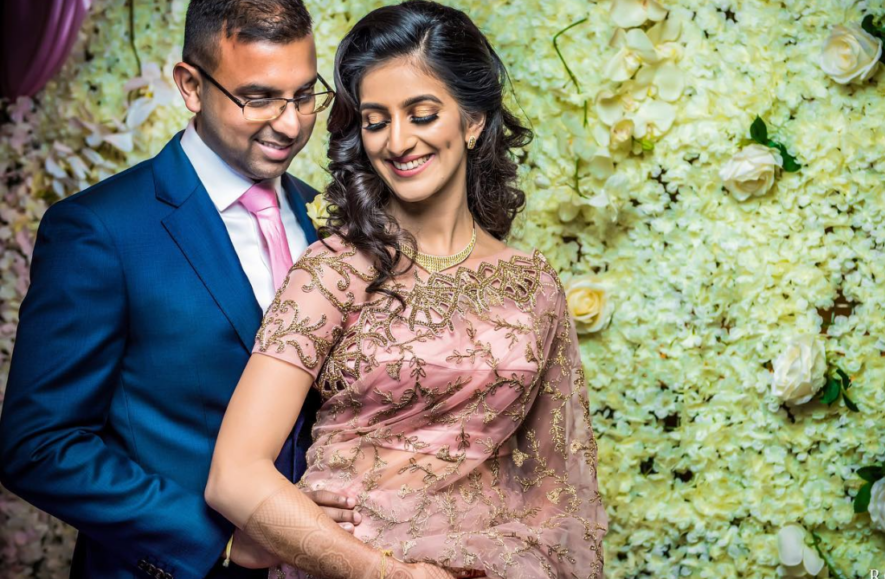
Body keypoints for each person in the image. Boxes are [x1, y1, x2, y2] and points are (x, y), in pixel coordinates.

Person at [203, 2, 608, 578]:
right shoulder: (333, 271)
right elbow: (234, 475)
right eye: (375, 121)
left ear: (472, 122)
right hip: (346, 565)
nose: (398, 142)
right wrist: (386, 574)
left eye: (421, 114)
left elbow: (563, 489)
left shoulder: (533, 283)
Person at [0, 1, 363, 577]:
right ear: (191, 86)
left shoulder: (328, 217)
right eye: (260, 98)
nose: (291, 123)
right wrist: (218, 540)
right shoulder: (100, 230)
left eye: (303, 95)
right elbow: (40, 445)